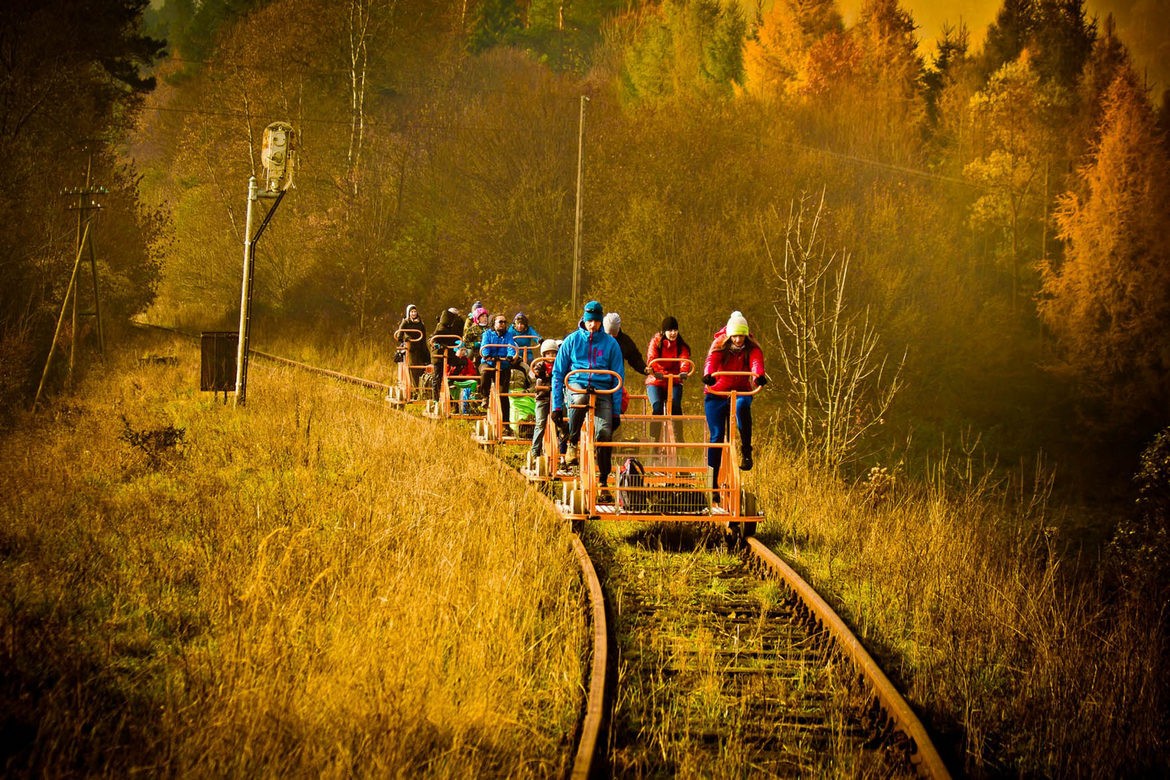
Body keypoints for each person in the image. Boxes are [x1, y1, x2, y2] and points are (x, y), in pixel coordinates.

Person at [552, 301, 625, 495]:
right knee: (580, 399)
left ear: (601, 322)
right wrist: (556, 406)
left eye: (596, 321)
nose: (592, 325)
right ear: (584, 320)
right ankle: (572, 441)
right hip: (577, 383)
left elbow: (618, 376)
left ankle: (603, 480)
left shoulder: (611, 344)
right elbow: (558, 374)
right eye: (589, 321)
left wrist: (616, 411)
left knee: (604, 434)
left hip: (602, 389)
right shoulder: (572, 340)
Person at [702, 311, 766, 482]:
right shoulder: (720, 344)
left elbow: (756, 362)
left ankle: (746, 450)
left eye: (741, 336)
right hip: (717, 392)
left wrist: (758, 376)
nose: (738, 340)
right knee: (717, 436)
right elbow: (711, 361)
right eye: (735, 336)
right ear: (730, 335)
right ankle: (712, 481)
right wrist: (709, 375)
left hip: (740, 390)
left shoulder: (751, 347)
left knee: (742, 406)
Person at [645, 315, 692, 440]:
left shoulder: (680, 345)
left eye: (675, 330)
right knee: (657, 407)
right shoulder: (656, 342)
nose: (673, 333)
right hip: (656, 380)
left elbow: (684, 358)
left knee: (676, 405)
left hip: (674, 379)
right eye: (670, 330)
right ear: (664, 331)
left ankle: (678, 438)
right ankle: (654, 439)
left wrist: (683, 371)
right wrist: (656, 371)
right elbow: (652, 358)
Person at [478, 313, 519, 424]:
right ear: (494, 323)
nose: (503, 324)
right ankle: (485, 396)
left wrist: (510, 356)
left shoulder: (508, 335)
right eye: (500, 322)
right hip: (489, 362)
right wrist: (488, 355)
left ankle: (505, 423)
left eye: (504, 322)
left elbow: (511, 346)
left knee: (503, 394)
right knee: (485, 372)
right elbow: (484, 347)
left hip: (503, 364)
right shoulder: (487, 334)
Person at [530, 339, 565, 458]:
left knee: (561, 424)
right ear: (543, 355)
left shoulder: (559, 365)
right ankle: (535, 451)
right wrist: (541, 375)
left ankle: (561, 452)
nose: (551, 356)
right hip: (542, 397)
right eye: (548, 353)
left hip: (556, 398)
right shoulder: (540, 365)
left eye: (554, 353)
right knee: (540, 423)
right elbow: (534, 373)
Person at [431, 307, 464, 401]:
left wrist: (458, 344)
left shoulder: (453, 325)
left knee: (461, 363)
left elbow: (456, 337)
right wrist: (439, 345)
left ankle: (450, 380)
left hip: (449, 353)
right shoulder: (441, 326)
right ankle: (435, 399)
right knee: (437, 376)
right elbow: (433, 339)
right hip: (438, 355)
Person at [397, 304, 429, 392]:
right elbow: (399, 335)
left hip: (420, 348)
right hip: (410, 349)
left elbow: (424, 337)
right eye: (412, 312)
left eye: (415, 311)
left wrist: (425, 349)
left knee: (421, 368)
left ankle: (422, 388)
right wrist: (406, 339)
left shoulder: (420, 323)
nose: (414, 313)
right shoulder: (405, 322)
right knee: (413, 368)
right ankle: (416, 389)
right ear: (409, 313)